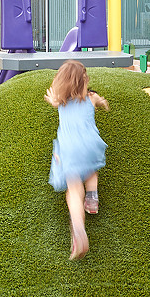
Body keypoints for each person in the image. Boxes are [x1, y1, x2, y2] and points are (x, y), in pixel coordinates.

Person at [45, 60, 110, 260]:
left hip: (69, 149)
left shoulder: (60, 102)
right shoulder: (91, 97)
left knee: (73, 189)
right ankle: (92, 198)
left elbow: (54, 100)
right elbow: (99, 101)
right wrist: (103, 103)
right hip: (91, 145)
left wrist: (52, 99)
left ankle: (79, 230)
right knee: (91, 168)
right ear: (85, 81)